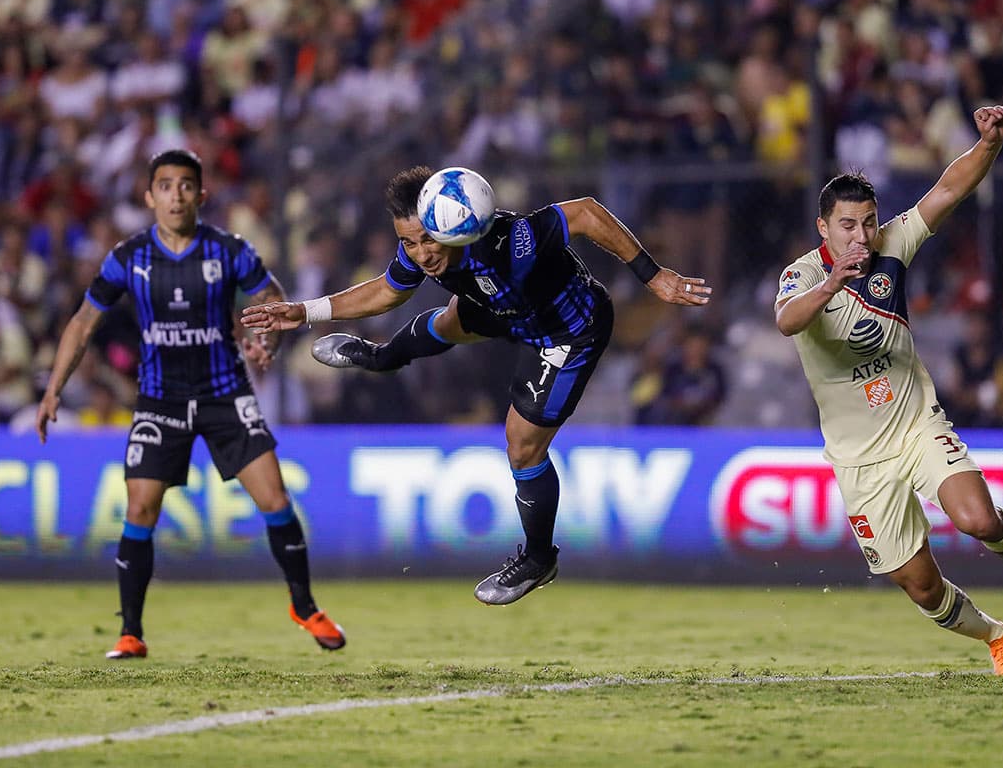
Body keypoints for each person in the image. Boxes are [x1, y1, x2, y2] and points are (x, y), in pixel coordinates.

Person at [242, 166, 711, 605]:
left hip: (568, 329)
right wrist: (305, 311)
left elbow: (587, 211)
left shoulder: (508, 240)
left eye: (428, 239)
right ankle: (382, 358)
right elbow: (387, 290)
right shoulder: (419, 249)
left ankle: (538, 558)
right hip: (505, 311)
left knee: (521, 447)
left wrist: (654, 277)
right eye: (409, 242)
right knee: (448, 321)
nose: (422, 253)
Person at [774, 105, 1003, 677]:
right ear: (823, 228)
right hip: (858, 457)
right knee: (922, 589)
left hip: (916, 423)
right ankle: (997, 635)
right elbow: (787, 321)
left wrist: (989, 145)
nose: (862, 235)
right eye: (848, 225)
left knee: (978, 519)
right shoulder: (802, 276)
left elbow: (948, 189)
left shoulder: (892, 245)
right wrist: (830, 285)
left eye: (868, 221)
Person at [36, 149, 345, 659]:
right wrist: (53, 389)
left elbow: (272, 300)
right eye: (165, 185)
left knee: (275, 499)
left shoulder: (228, 250)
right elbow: (82, 323)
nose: (175, 194)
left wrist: (265, 339)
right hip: (160, 400)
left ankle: (304, 605)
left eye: (185, 185)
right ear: (149, 196)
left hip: (225, 393)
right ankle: (130, 632)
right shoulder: (128, 257)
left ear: (201, 195)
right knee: (140, 507)